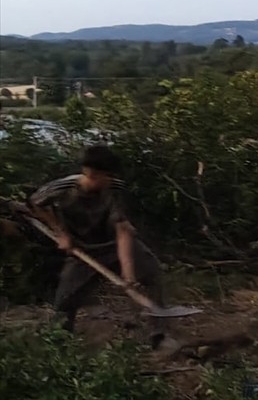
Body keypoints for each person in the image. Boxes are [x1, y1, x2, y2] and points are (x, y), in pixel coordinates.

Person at [25, 144, 170, 342]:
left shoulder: (114, 188)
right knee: (65, 301)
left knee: (151, 273)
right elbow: (35, 203)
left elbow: (122, 230)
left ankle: (158, 333)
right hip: (82, 249)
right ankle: (59, 342)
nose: (110, 180)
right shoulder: (63, 187)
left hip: (112, 244)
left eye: (111, 175)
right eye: (106, 175)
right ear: (90, 173)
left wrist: (128, 274)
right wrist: (61, 233)